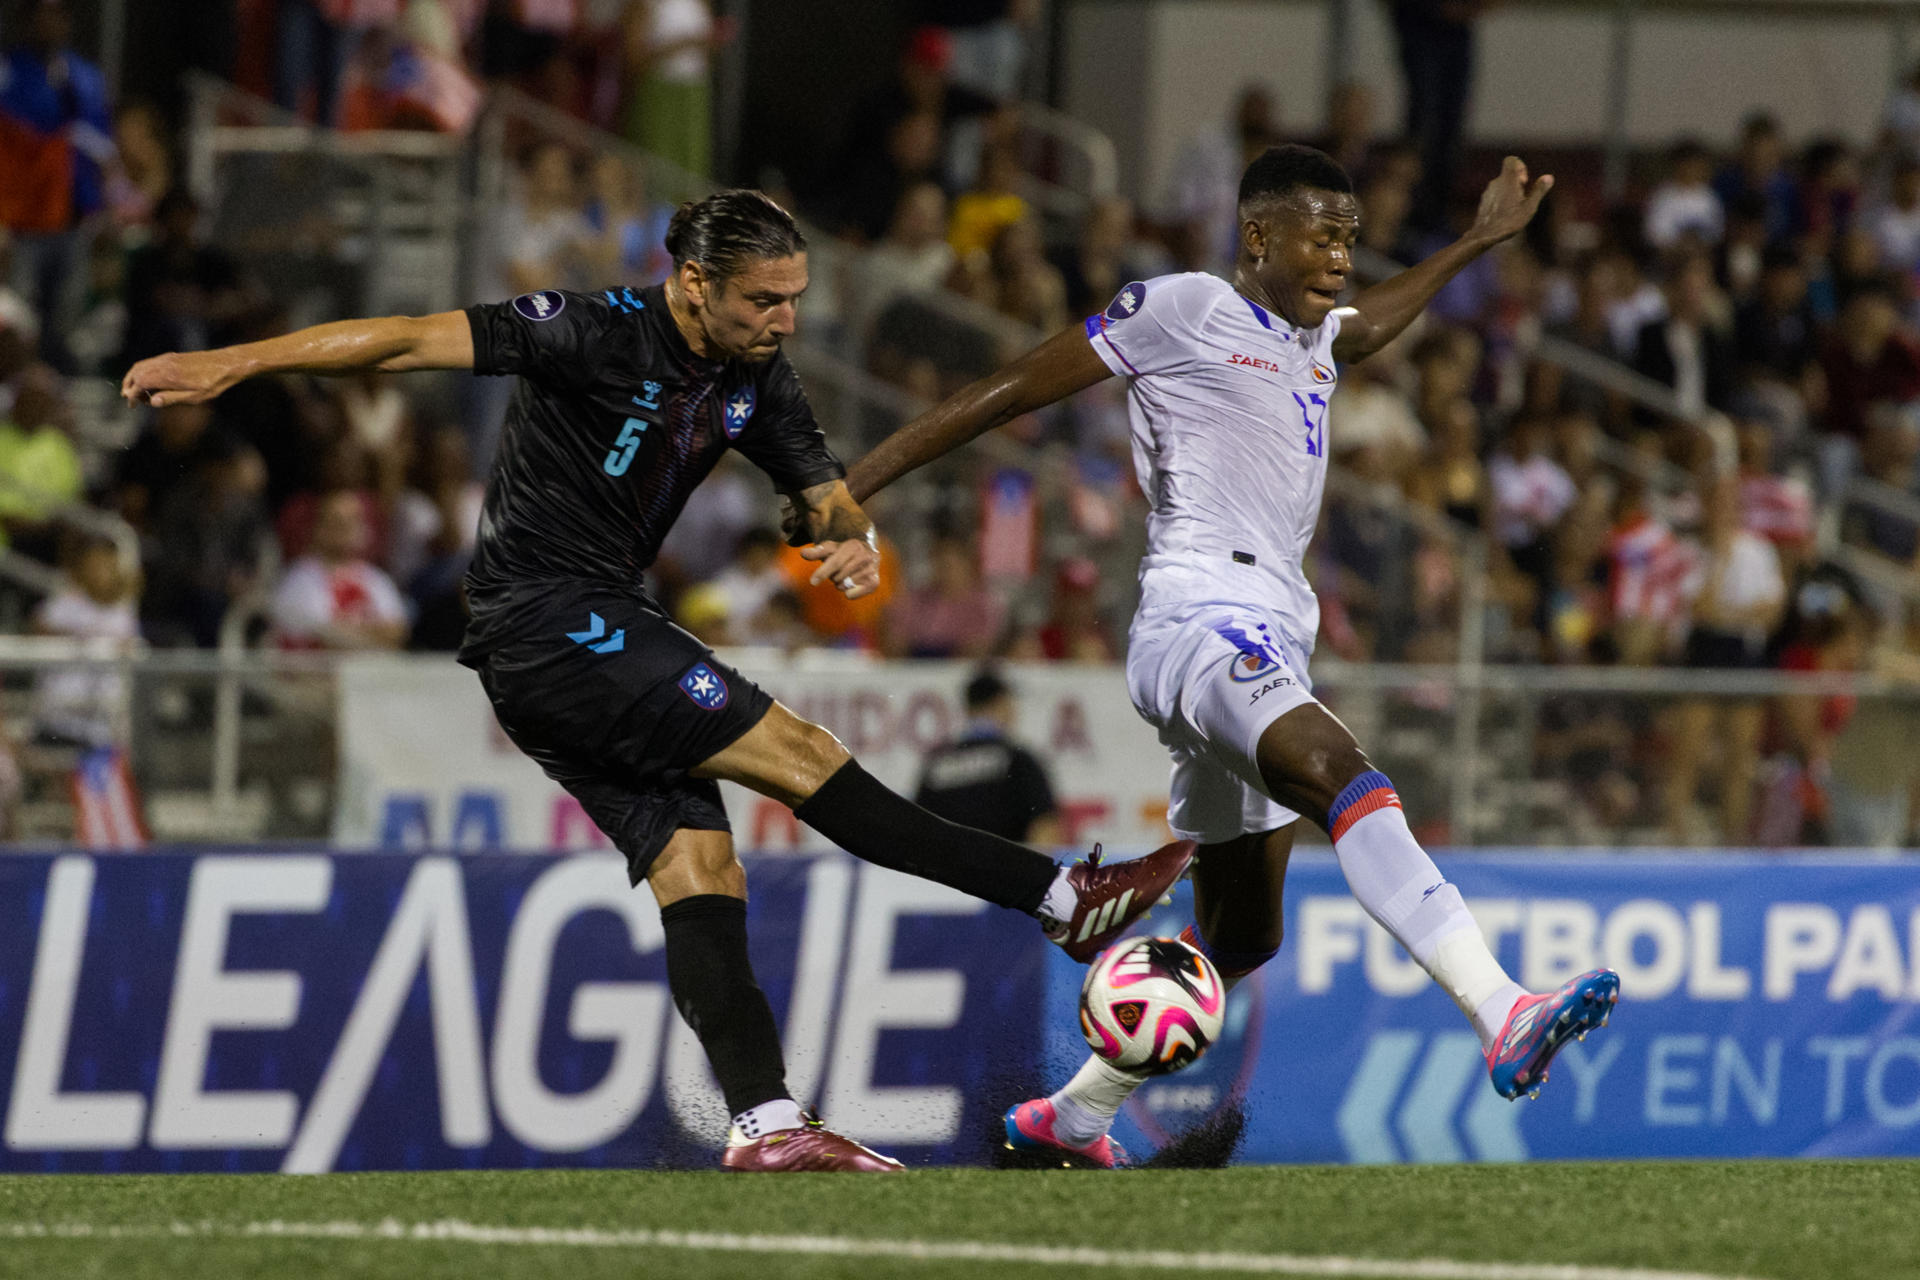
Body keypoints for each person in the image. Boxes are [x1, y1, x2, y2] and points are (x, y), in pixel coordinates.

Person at [120, 187, 1192, 1173]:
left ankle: (766, 1121)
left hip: (578, 636)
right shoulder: (586, 329)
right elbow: (406, 338)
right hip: (547, 616)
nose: (783, 317)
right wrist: (234, 362)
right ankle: (1060, 896)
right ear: (691, 283)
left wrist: (847, 535)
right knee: (803, 756)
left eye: (795, 297)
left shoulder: (756, 379)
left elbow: (819, 489)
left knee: (700, 866)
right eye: (761, 298)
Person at [841, 145, 1620, 1168]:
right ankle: (1500, 1005)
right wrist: (852, 484)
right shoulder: (1184, 307)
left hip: (1267, 629)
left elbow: (1373, 322)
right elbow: (1011, 389)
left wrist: (1477, 239)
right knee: (1345, 774)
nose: (1341, 255)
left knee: (1244, 934)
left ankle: (1070, 1115)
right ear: (1258, 236)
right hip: (1199, 614)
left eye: (1350, 236)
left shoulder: (1316, 338)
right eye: (1321, 233)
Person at [915, 667, 1061, 845]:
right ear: (1001, 703)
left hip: (947, 869)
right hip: (1005, 869)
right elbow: (1044, 827)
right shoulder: (1018, 759)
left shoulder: (937, 762)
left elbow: (919, 829)